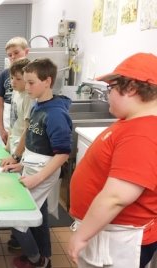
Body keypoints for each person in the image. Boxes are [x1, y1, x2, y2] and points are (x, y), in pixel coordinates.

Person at [68, 53, 157, 268]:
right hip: (106, 231)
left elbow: (116, 196)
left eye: (111, 88)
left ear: (132, 88)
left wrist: (81, 236)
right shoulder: (131, 123)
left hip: (117, 238)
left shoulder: (142, 133)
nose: (108, 95)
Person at [2, 58, 72, 268]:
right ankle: (46, 256)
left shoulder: (56, 114)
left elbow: (62, 155)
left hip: (43, 172)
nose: (27, 86)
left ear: (47, 81)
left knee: (16, 219)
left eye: (31, 82)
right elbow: (32, 138)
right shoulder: (37, 106)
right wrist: (18, 160)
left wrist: (36, 178)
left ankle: (37, 260)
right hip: (32, 166)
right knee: (39, 214)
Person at [0, 36, 30, 144]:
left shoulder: (32, 73)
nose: (13, 57)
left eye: (16, 53)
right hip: (8, 123)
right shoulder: (4, 74)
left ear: (26, 51)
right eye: (10, 55)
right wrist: (0, 129)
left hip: (24, 124)